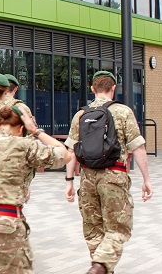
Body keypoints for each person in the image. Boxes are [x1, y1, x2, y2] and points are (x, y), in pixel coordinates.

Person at [64, 71, 153, 274]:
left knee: (93, 228)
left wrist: (69, 181)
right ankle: (100, 266)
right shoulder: (123, 112)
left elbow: (70, 151)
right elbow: (138, 148)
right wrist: (147, 179)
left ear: (93, 89)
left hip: (87, 179)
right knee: (118, 228)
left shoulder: (80, 115)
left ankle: (101, 268)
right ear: (113, 89)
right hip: (114, 176)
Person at [0, 105, 72, 273]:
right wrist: (36, 132)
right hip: (3, 221)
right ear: (21, 128)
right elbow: (65, 155)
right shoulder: (24, 145)